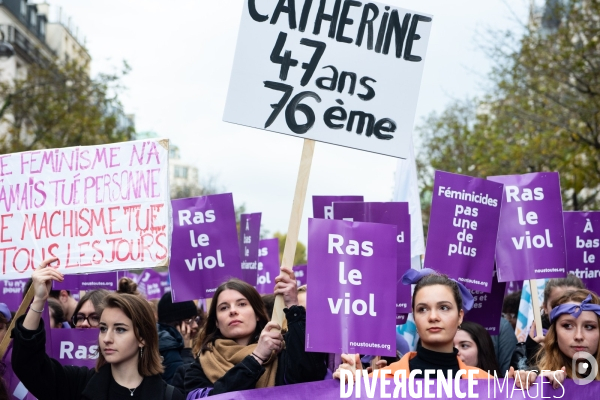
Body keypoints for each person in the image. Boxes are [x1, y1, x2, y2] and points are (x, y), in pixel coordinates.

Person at [11, 258, 184, 399]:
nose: (107, 338)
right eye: (103, 328)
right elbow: (28, 365)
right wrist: (39, 300)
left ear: (142, 338)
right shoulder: (79, 384)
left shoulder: (168, 396)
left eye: (120, 329)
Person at [184, 268, 327, 397]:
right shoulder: (198, 367)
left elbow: (312, 377)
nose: (233, 311)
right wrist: (256, 358)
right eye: (224, 308)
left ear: (257, 313)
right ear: (216, 321)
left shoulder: (282, 353)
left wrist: (293, 306)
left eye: (242, 304)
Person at [334, 269, 490, 381]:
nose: (433, 317)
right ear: (414, 317)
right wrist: (353, 390)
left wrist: (514, 388)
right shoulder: (379, 381)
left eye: (444, 308)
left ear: (460, 316)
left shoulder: (487, 384)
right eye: (422, 309)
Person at [523, 289, 600, 389]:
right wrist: (539, 387)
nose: (579, 336)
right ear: (554, 332)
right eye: (567, 325)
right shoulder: (536, 377)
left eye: (589, 327)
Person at [524, 275, 585, 367]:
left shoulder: (594, 336)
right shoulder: (535, 341)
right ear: (545, 307)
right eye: (557, 305)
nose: (565, 311)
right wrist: (533, 350)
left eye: (574, 305)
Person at [157, 292, 199, 384]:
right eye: (189, 320)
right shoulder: (169, 349)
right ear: (174, 323)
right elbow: (185, 384)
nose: (195, 325)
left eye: (196, 319)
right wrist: (186, 350)